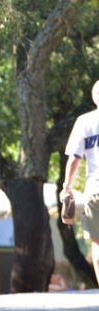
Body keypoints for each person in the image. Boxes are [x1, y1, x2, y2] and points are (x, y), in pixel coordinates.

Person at [62, 79, 99, 285]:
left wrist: (67, 186)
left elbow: (74, 159)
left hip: (96, 191)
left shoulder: (85, 122)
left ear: (94, 98)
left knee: (97, 242)